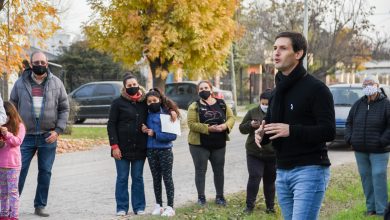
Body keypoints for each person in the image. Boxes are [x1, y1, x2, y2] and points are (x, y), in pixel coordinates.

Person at [254, 32, 335, 220]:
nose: (276, 53)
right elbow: (274, 127)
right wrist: (262, 133)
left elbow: (329, 130)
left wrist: (291, 130)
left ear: (298, 54)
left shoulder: (317, 89)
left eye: (283, 48)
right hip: (282, 170)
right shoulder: (276, 92)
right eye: (274, 48)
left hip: (310, 169)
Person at [107, 73, 177, 216]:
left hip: (140, 147)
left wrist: (171, 111)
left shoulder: (144, 101)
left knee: (138, 177)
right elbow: (111, 124)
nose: (132, 87)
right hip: (121, 147)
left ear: (138, 84)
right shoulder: (118, 103)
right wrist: (114, 146)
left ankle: (139, 206)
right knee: (122, 177)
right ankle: (121, 207)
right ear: (125, 88)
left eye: (134, 84)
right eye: (129, 85)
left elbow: (161, 104)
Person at [10, 51, 69, 217]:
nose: (40, 65)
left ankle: (40, 205)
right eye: (36, 62)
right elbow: (11, 107)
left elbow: (64, 108)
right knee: (18, 171)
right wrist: (15, 128)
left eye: (43, 62)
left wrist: (58, 131)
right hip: (24, 136)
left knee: (45, 172)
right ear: (30, 64)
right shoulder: (20, 83)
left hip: (47, 136)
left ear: (47, 63)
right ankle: (12, 205)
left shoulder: (57, 83)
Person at [344, 75, 390, 216]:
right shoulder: (358, 104)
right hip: (360, 149)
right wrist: (350, 139)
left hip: (379, 150)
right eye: (364, 84)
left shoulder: (386, 104)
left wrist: (382, 141)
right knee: (366, 178)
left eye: (370, 83)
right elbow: (349, 123)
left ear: (377, 85)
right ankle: (371, 209)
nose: (367, 86)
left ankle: (382, 210)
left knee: (378, 175)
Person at [187, 80, 235, 206]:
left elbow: (231, 118)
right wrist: (208, 128)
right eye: (201, 89)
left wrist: (225, 126)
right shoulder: (194, 106)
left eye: (206, 88)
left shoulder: (222, 103)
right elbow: (191, 125)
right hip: (199, 145)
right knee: (200, 171)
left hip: (219, 145)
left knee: (219, 170)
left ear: (211, 89)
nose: (204, 90)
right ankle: (201, 198)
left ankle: (220, 197)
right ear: (198, 91)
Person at [141, 88, 180, 217]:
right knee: (156, 178)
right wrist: (144, 128)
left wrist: (155, 134)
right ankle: (158, 205)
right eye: (149, 101)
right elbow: (145, 128)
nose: (152, 103)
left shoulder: (168, 113)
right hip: (151, 150)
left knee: (167, 178)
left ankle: (170, 206)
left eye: (155, 100)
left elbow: (173, 136)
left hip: (165, 150)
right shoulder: (146, 114)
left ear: (160, 100)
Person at [239, 89, 276, 214]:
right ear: (260, 102)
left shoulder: (278, 112)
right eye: (263, 103)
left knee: (270, 181)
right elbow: (242, 129)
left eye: (267, 104)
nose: (265, 106)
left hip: (272, 153)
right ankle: (249, 206)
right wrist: (250, 125)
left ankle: (270, 207)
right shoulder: (252, 112)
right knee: (255, 177)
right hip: (254, 152)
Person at [0, 101, 26, 220]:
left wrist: (7, 134)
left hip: (13, 165)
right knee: (3, 193)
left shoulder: (20, 126)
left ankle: (14, 216)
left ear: (10, 114)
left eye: (5, 115)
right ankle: (4, 215)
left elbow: (17, 141)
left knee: (13, 193)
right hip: (1, 165)